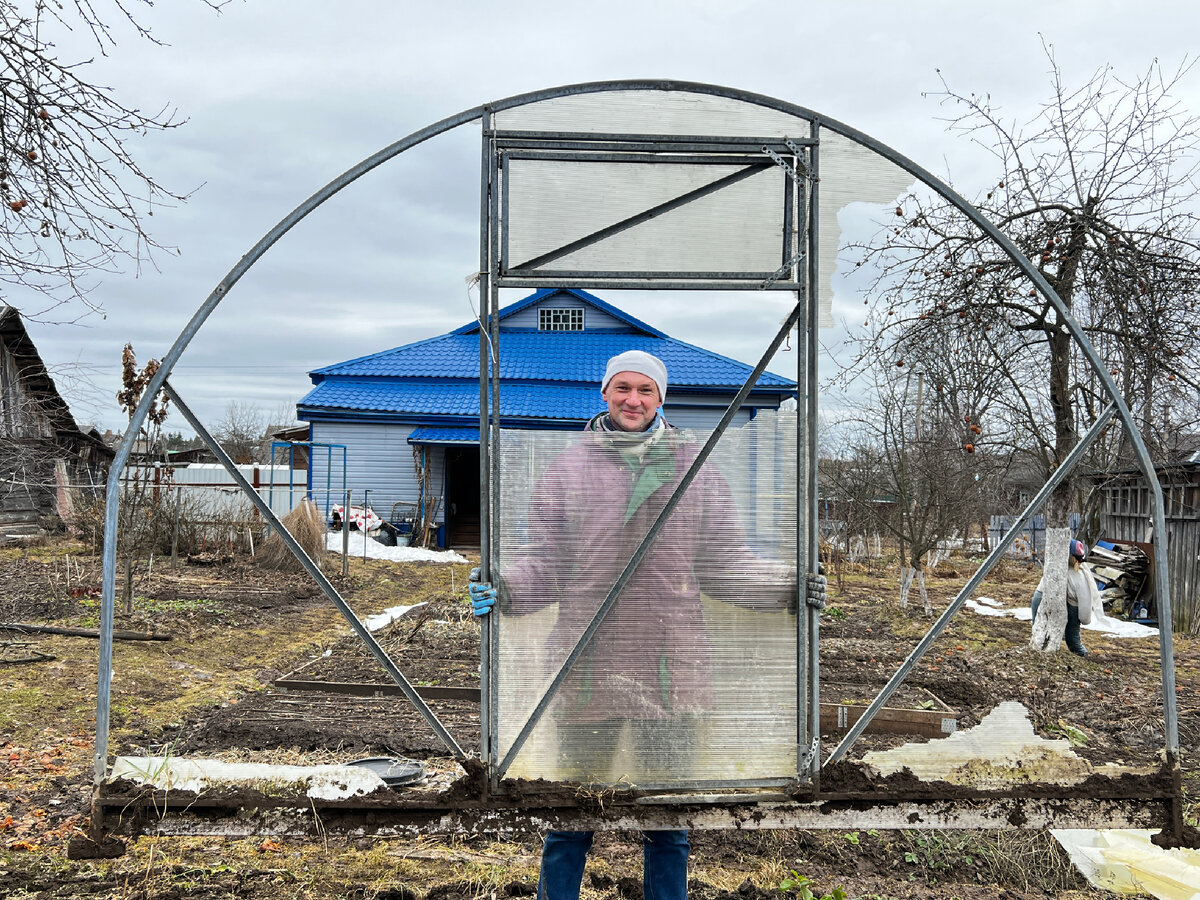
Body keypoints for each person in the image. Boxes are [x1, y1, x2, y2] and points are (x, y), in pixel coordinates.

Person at [469, 349, 826, 900]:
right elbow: (546, 561)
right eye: (623, 388)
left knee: (668, 820)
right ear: (604, 393)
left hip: (670, 667)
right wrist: (507, 588)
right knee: (570, 809)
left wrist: (789, 586)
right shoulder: (569, 469)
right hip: (589, 664)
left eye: (646, 390)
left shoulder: (694, 468)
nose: (633, 400)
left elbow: (725, 563)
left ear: (662, 398)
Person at [1030, 539, 1098, 657]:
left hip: (1072, 605)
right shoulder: (1057, 568)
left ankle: (1083, 655)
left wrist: (1084, 618)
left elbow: (1085, 600)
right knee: (1039, 628)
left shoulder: (1079, 575)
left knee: (1072, 639)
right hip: (1044, 596)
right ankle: (1039, 652)